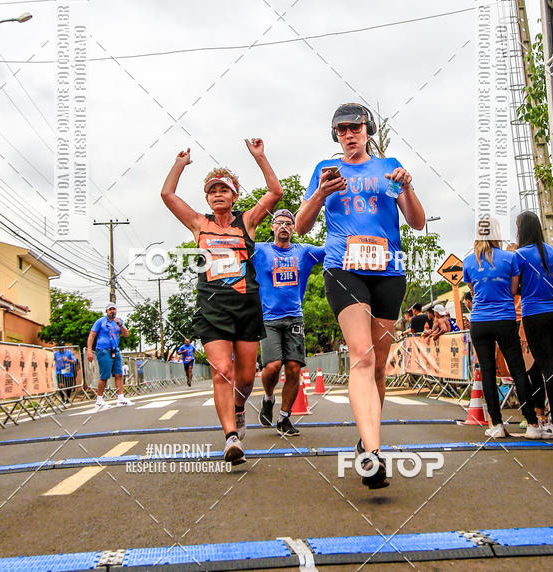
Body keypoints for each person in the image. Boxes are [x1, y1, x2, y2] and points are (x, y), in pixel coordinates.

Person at [295, 102, 425, 488]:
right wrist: (319, 194)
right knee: (362, 357)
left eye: (355, 127)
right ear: (335, 135)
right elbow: (302, 226)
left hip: (388, 269)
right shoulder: (324, 170)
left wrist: (408, 186)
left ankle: (368, 438)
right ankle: (373, 453)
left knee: (380, 365)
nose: (349, 134)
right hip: (344, 267)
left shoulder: (389, 168)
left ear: (368, 130)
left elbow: (417, 223)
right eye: (341, 130)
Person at [161, 138, 282, 466]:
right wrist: (179, 164)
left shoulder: (248, 222)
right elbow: (167, 196)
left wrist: (261, 156)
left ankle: (240, 409)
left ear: (234, 195)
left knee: (244, 378)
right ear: (207, 197)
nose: (217, 194)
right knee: (222, 372)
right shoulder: (199, 224)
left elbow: (276, 193)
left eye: (223, 190)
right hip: (213, 306)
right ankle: (230, 438)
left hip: (245, 303)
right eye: (212, 190)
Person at [463, 218, 539, 439]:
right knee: (517, 370)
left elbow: (474, 290)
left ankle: (496, 424)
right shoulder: (510, 258)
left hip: (479, 320)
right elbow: (515, 289)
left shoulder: (468, 262)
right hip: (505, 318)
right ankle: (532, 423)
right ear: (496, 234)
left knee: (487, 371)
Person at [253, 208, 325, 436]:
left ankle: (284, 418)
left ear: (294, 228)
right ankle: (268, 397)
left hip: (295, 316)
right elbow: (236, 246)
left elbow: (333, 250)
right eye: (279, 222)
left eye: (288, 223)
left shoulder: (304, 252)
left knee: (294, 368)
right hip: (268, 318)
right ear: (272, 227)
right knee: (272, 366)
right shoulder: (259, 251)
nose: (284, 226)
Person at [514, 211, 553, 438]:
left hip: (534, 313)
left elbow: (514, 289)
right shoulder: (550, 251)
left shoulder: (519, 255)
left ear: (522, 230)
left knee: (546, 366)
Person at [86, 303, 133, 409]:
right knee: (105, 375)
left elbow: (126, 334)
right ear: (106, 311)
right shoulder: (100, 322)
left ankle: (120, 398)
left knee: (118, 374)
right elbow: (92, 336)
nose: (112, 311)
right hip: (103, 350)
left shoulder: (119, 321)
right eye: (110, 309)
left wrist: (120, 325)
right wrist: (89, 350)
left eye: (114, 309)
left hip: (115, 350)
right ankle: (99, 400)